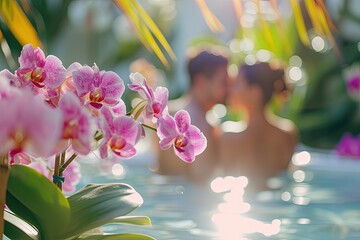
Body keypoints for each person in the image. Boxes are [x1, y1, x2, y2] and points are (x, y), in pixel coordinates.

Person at [154, 47, 230, 184]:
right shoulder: (199, 125)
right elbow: (203, 180)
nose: (228, 88)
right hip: (185, 200)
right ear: (201, 82)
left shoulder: (166, 111)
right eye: (223, 82)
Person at [219, 61, 298, 190]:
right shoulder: (287, 134)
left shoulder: (229, 137)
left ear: (255, 92)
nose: (231, 89)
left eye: (237, 84)